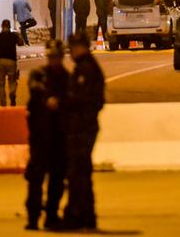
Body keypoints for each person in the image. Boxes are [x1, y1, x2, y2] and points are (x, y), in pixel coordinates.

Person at [24, 39, 69, 230]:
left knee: (57, 179)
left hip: (58, 137)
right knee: (35, 179)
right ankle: (33, 216)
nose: (54, 60)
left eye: (57, 57)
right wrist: (47, 98)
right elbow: (34, 89)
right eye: (51, 57)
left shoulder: (66, 78)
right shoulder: (39, 75)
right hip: (40, 137)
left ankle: (51, 214)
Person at [62, 32, 104, 230]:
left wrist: (64, 102)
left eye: (72, 48)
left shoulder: (86, 69)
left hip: (83, 127)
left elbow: (85, 99)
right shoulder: (85, 66)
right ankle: (81, 214)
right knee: (78, 172)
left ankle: (80, 215)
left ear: (80, 47)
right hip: (81, 126)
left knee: (79, 173)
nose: (70, 53)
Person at [0, 19, 24, 106]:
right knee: (12, 81)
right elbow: (21, 43)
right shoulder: (14, 35)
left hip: (1, 60)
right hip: (12, 61)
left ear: (2, 26)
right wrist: (19, 35)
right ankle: (12, 93)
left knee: (1, 84)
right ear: (10, 26)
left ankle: (3, 103)